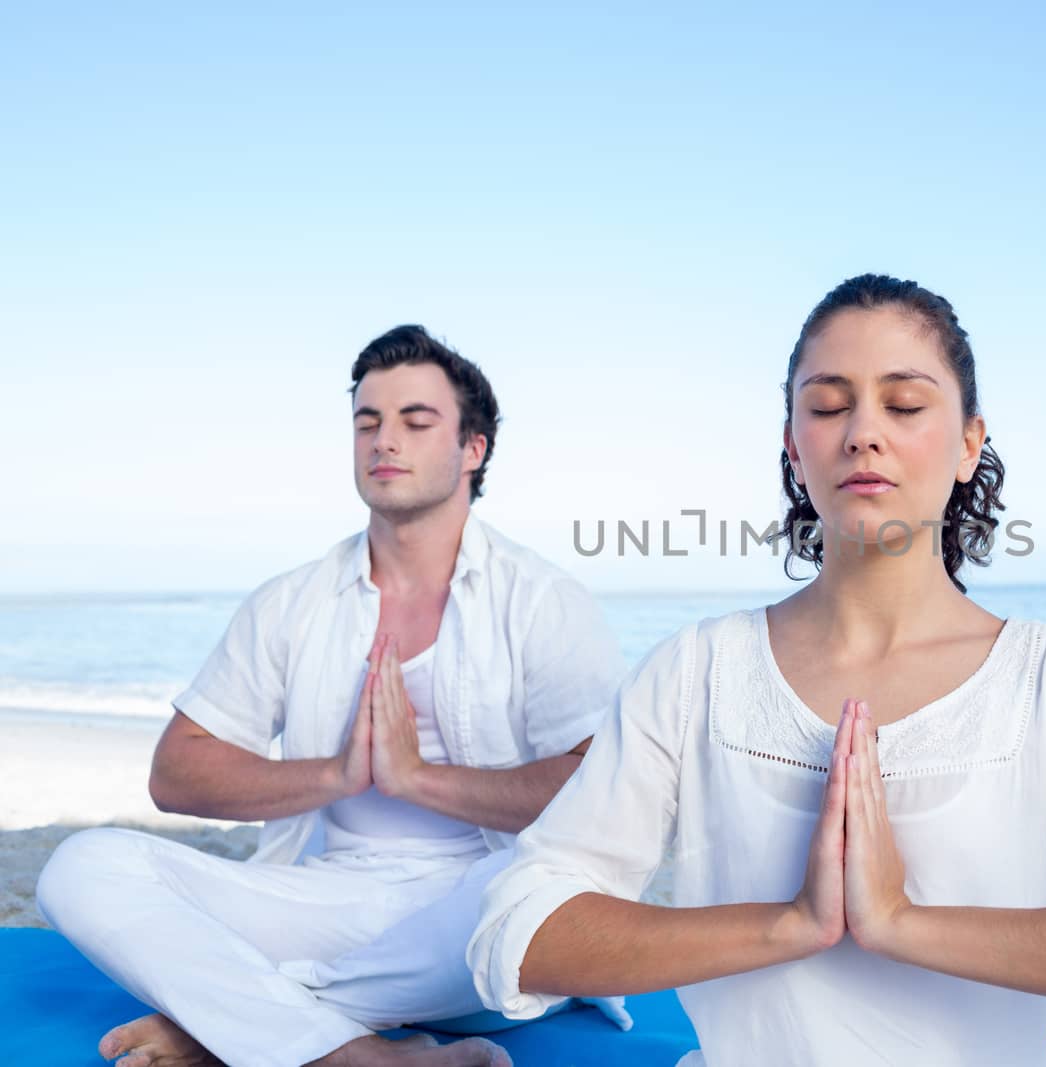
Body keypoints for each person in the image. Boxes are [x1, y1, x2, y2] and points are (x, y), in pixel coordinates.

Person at [468, 274, 1046, 1065]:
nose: (862, 433)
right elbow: (523, 926)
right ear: (793, 443)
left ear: (969, 442)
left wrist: (898, 922)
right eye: (828, 404)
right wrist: (791, 924)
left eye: (905, 405)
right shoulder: (695, 672)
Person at [38, 326, 626, 1067]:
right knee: (82, 866)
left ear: (474, 448)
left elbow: (600, 792)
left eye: (416, 421)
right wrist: (337, 774)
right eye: (367, 421)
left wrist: (419, 779)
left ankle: (236, 1021)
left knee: (534, 903)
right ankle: (355, 1053)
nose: (385, 440)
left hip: (476, 904)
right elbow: (175, 772)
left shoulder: (543, 601)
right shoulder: (295, 599)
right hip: (322, 896)